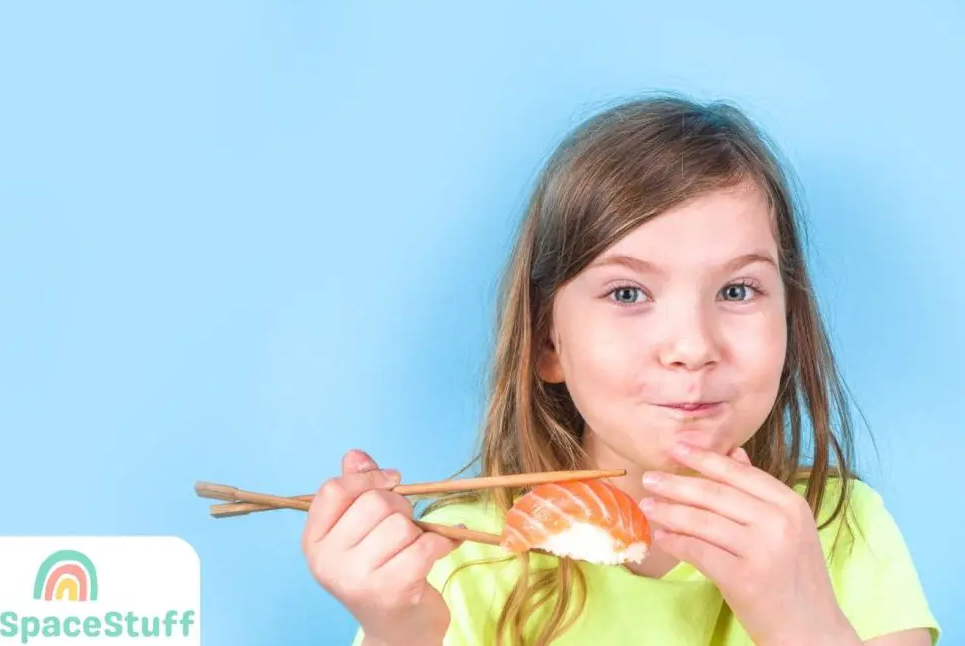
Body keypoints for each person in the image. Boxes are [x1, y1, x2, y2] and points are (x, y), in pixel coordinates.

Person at [300, 93, 941, 646]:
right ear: (547, 343)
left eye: (738, 291)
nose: (692, 346)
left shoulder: (838, 527)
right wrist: (400, 631)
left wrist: (799, 618)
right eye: (628, 294)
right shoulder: (455, 553)